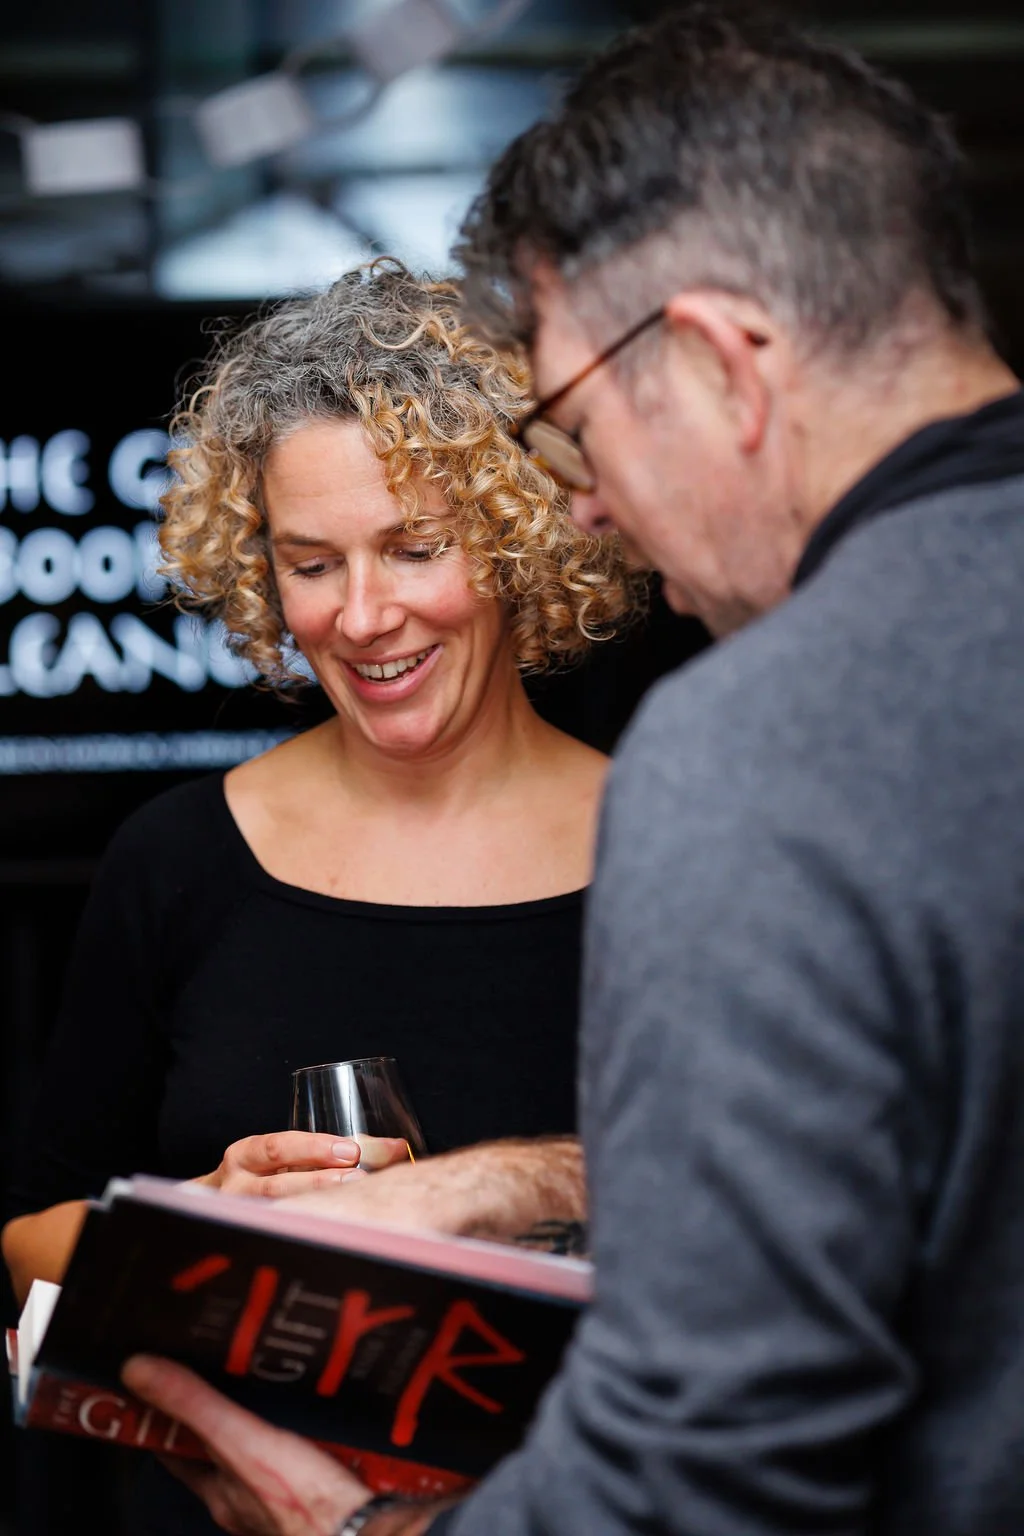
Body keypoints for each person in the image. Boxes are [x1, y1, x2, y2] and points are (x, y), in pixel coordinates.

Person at [47, 3, 1024, 1533]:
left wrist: (363, 1531)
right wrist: (506, 1187)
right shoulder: (185, 857)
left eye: (574, 428)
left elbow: (727, 1452)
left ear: (718, 362)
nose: (585, 509)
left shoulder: (750, 746)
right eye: (311, 563)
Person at [0, 258, 640, 1535]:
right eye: (309, 563)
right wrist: (196, 1242)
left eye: (414, 547)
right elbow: (25, 1227)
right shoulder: (178, 858)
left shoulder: (669, 844)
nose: (359, 617)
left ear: (517, 537)